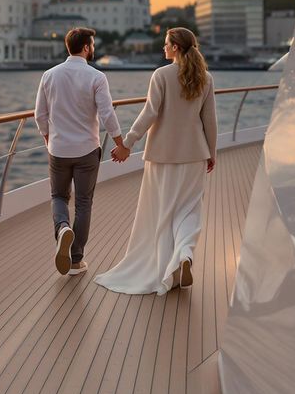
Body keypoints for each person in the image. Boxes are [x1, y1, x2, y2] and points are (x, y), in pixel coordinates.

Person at [95, 27, 217, 295]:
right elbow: (209, 120)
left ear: (175, 47)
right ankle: (184, 255)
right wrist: (212, 152)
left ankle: (167, 268)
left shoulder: (161, 75)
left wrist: (127, 143)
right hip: (195, 154)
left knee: (163, 212)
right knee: (189, 210)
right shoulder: (205, 78)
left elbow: (149, 113)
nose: (163, 48)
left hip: (162, 156)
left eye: (166, 44)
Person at [35, 27, 127, 276]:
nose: (93, 48)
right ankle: (75, 260)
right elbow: (107, 114)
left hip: (59, 149)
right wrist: (120, 142)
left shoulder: (49, 75)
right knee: (84, 202)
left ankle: (63, 227)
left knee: (59, 197)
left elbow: (39, 114)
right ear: (86, 48)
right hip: (87, 149)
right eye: (92, 45)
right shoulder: (96, 77)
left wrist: (47, 137)